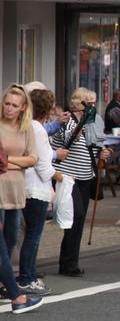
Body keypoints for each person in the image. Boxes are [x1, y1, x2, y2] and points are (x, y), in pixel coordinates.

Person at [52, 87, 108, 277]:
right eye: (89, 103)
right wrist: (80, 126)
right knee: (76, 215)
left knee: (79, 219)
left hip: (85, 176)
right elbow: (68, 140)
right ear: (79, 103)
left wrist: (102, 152)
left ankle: (70, 261)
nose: (93, 107)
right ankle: (68, 263)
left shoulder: (92, 122)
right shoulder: (68, 120)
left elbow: (93, 146)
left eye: (94, 103)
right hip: (68, 176)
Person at [18, 89, 57, 295]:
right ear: (47, 109)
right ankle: (28, 277)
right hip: (36, 188)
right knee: (33, 236)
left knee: (24, 235)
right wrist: (58, 176)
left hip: (22, 185)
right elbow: (43, 164)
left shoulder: (23, 126)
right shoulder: (39, 129)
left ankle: (27, 275)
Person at [0, 85, 38, 262]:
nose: (9, 108)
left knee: (12, 238)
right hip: (1, 187)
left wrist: (6, 160)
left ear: (23, 107)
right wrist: (20, 163)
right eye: (7, 103)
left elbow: (33, 159)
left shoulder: (26, 128)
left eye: (14, 105)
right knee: (1, 241)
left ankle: (4, 274)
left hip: (16, 191)